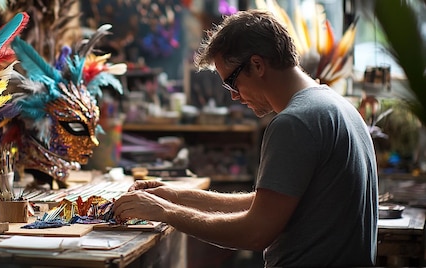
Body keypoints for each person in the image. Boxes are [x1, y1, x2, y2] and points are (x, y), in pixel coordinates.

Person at [113, 9, 378, 267]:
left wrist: (165, 213)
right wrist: (174, 196)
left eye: (231, 82)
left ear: (257, 64)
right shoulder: (334, 106)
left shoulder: (295, 122)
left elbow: (255, 233)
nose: (233, 95)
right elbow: (265, 205)